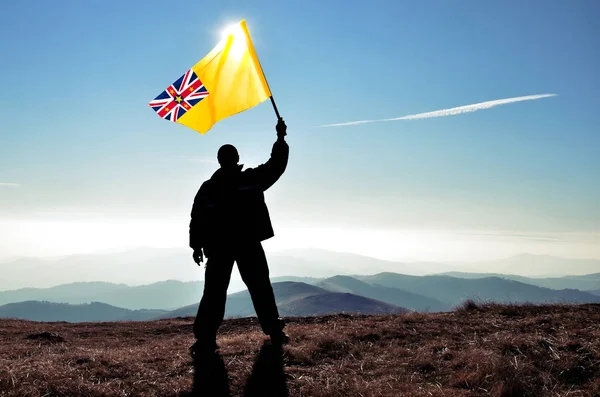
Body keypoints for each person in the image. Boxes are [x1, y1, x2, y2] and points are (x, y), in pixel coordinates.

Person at [189, 119, 289, 354]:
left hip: (227, 246)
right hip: (240, 244)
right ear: (234, 159)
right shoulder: (244, 181)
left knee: (223, 292)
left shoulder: (213, 186)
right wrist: (281, 139)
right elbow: (275, 166)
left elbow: (197, 218)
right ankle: (273, 331)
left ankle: (206, 339)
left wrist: (196, 246)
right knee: (255, 289)